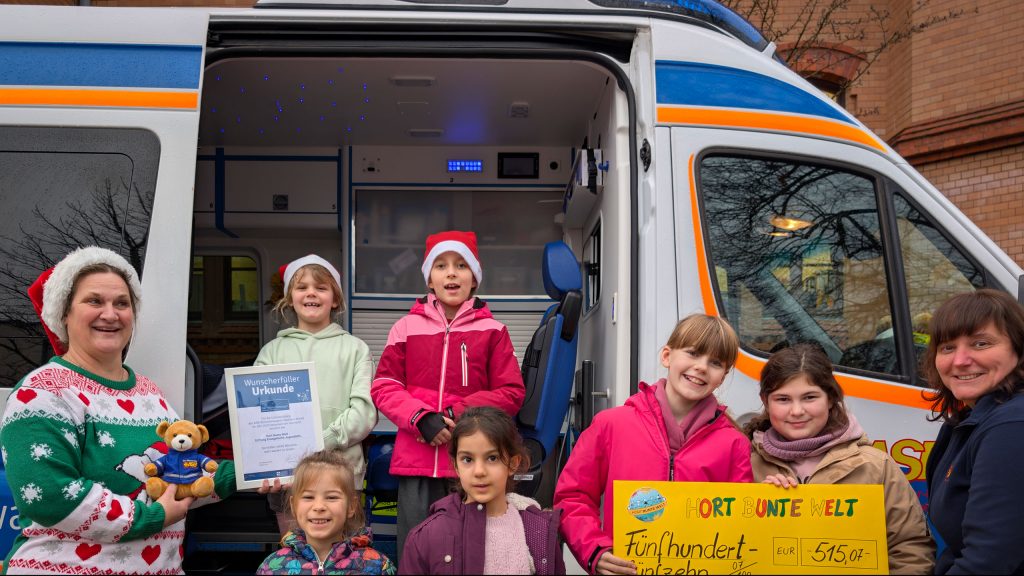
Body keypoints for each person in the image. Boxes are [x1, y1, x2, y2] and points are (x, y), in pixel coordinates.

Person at [0, 246, 235, 574]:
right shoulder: (41, 391)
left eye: (122, 303)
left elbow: (180, 475)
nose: (110, 314)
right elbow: (49, 495)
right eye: (94, 301)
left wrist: (255, 473)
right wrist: (155, 517)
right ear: (63, 312)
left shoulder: (151, 394)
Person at [553, 313, 752, 575]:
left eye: (715, 362)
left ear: (723, 377)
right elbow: (572, 496)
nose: (702, 367)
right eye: (693, 353)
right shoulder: (611, 425)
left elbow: (743, 520)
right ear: (667, 356)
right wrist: (595, 550)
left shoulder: (734, 443)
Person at [371, 230, 525, 562]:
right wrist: (421, 418)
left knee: (471, 553)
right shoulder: (405, 328)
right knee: (417, 549)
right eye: (440, 265)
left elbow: (511, 392)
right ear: (429, 278)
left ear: (474, 279)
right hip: (417, 460)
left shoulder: (493, 331)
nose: (451, 272)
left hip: (471, 465)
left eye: (461, 265)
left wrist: (461, 414)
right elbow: (384, 386)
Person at [744, 343, 935, 574]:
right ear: (765, 401)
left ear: (831, 398)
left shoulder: (874, 466)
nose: (796, 411)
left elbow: (910, 549)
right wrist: (758, 509)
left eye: (809, 397)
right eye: (783, 399)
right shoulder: (745, 463)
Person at [256, 254, 376, 535]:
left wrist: (322, 441)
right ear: (290, 298)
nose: (311, 292)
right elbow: (257, 415)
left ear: (335, 299)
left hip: (343, 475)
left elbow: (364, 411)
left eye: (321, 287)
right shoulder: (271, 352)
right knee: (294, 559)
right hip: (288, 477)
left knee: (344, 558)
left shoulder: (355, 349)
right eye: (302, 287)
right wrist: (263, 462)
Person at [924, 289, 1024, 574]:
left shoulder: (1012, 426)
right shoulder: (969, 420)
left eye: (980, 343)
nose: (960, 360)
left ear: (1018, 348)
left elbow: (986, 563)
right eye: (947, 347)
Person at [400, 406, 564, 575]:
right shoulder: (426, 536)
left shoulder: (540, 530)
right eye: (467, 459)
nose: (479, 471)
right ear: (456, 465)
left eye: (492, 458)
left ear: (513, 464)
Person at [256, 450, 395, 575]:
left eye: (331, 497)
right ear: (293, 505)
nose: (319, 507)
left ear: (351, 506)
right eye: (308, 497)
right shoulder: (271, 567)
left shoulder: (378, 566)